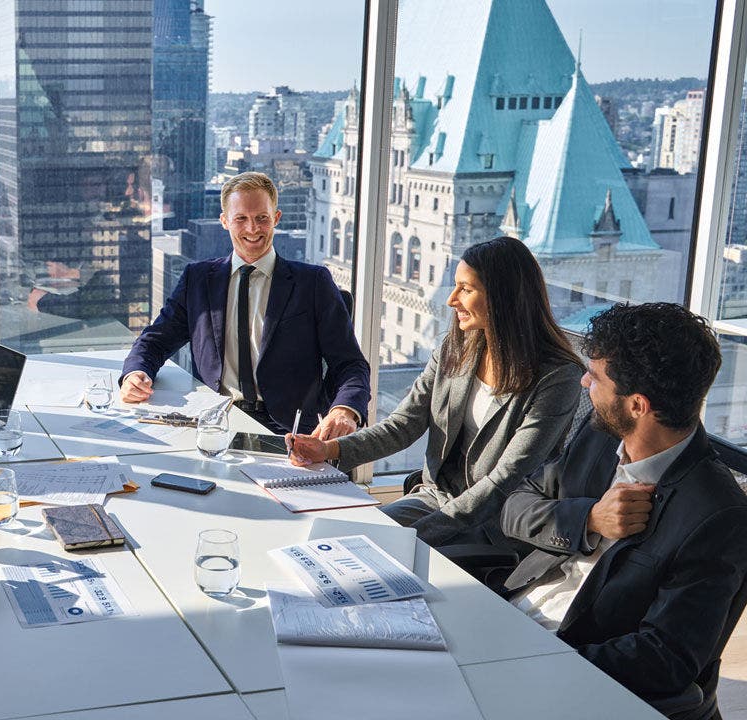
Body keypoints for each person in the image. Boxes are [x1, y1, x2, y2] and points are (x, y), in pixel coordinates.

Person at [501, 302, 747, 712]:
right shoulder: (599, 438)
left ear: (637, 405)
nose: (583, 383)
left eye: (595, 376)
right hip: (510, 616)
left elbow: (666, 656)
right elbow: (514, 505)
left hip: (571, 671)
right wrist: (589, 519)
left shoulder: (719, 516)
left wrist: (534, 663)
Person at [287, 237, 583, 549]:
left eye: (466, 289)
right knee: (340, 541)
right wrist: (329, 450)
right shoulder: (454, 349)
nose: (452, 299)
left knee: (367, 549)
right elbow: (402, 425)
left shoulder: (558, 377)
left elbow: (502, 482)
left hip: (497, 522)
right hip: (435, 499)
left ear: (503, 298)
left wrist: (412, 537)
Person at [120, 171, 370, 435]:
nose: (252, 229)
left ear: (276, 218)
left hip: (291, 432)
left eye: (262, 218)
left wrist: (345, 410)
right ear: (225, 221)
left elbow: (350, 364)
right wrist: (135, 373)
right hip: (215, 423)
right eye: (241, 219)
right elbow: (156, 341)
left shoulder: (313, 283)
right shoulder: (198, 280)